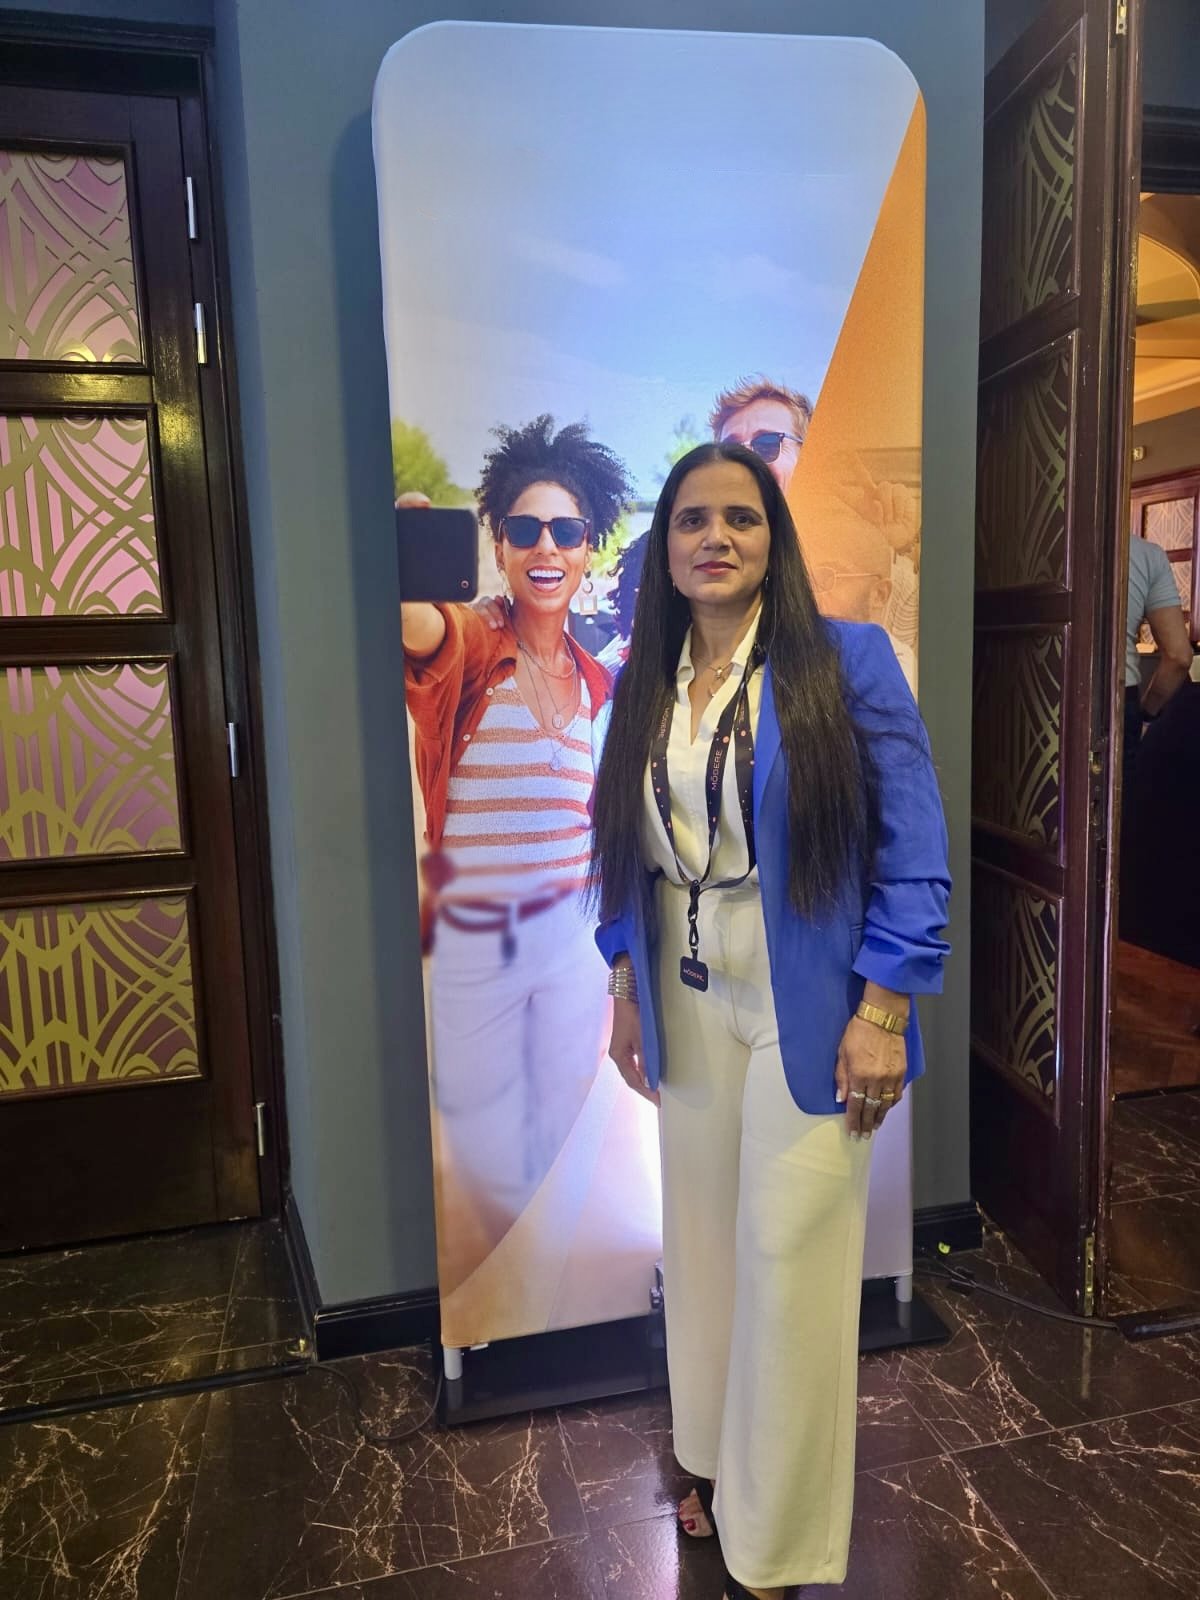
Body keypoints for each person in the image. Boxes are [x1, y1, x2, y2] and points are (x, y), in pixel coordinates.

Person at [589, 441, 951, 1599]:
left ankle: (776, 1540)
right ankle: (706, 1458)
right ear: (665, 546)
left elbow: (915, 840)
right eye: (692, 519)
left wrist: (885, 1005)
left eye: (740, 518)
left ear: (772, 538)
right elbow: (619, 853)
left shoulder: (844, 662)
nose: (715, 537)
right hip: (687, 994)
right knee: (699, 1244)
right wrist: (623, 986)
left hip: (813, 995)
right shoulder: (643, 677)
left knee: (788, 1260)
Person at [401, 415, 633, 1271]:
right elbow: (421, 632)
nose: (546, 547)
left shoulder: (600, 678)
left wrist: (617, 964)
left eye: (566, 531)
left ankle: (555, 1297)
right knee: (484, 1149)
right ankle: (497, 1310)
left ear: (587, 548)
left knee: (566, 1133)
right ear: (497, 544)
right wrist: (406, 576)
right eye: (524, 529)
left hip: (571, 942)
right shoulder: (471, 642)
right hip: (474, 944)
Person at [1122, 534, 1192, 796]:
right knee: (1114, 814)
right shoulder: (1145, 553)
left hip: (1039, 692)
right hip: (1118, 697)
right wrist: (1146, 714)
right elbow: (1179, 657)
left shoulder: (1036, 538)